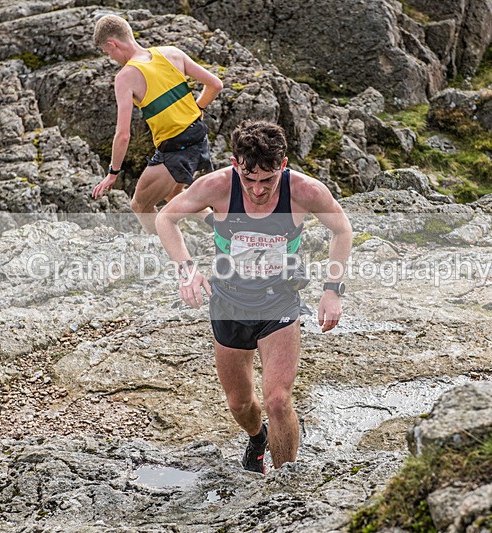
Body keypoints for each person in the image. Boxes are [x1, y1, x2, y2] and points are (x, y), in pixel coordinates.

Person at [155, 120, 352, 473]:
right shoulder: (216, 186)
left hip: (280, 301)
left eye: (268, 180)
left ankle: (285, 487)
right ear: (236, 165)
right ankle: (257, 436)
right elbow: (165, 218)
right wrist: (187, 269)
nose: (258, 190)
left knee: (278, 400)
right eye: (249, 180)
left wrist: (332, 290)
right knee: (240, 403)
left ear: (284, 165)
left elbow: (341, 229)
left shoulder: (305, 191)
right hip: (229, 301)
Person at [91, 14, 223, 234]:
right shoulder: (171, 52)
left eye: (108, 52)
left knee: (140, 205)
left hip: (175, 147)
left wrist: (113, 173)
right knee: (173, 193)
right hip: (198, 137)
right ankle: (219, 228)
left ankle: (168, 254)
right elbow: (215, 85)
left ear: (112, 44)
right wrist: (197, 108)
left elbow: (123, 134)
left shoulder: (126, 77)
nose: (111, 57)